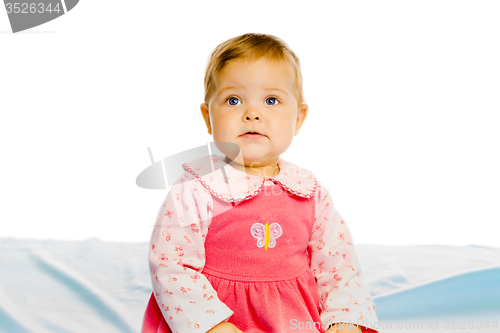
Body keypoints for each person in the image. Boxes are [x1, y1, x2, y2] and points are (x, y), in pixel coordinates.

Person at [141, 33, 379, 333]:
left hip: (292, 319)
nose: (252, 113)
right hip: (214, 320)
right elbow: (171, 265)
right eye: (233, 100)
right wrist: (213, 327)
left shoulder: (309, 191)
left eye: (271, 100)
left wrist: (345, 321)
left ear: (298, 118)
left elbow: (338, 267)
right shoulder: (196, 187)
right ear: (207, 116)